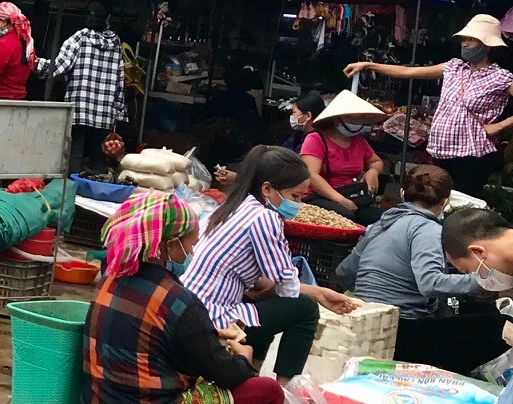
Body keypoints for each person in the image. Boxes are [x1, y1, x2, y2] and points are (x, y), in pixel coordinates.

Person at [84, 190, 286, 404]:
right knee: (268, 392)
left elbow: (154, 331)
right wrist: (244, 357)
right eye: (190, 242)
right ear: (168, 243)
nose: (192, 249)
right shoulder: (180, 301)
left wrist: (212, 332)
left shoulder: (111, 278)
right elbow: (225, 373)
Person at [184, 145, 358, 378]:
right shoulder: (264, 217)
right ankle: (284, 388)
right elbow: (286, 286)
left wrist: (307, 290)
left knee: (263, 305)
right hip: (215, 314)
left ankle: (251, 372)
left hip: (190, 305)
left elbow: (259, 278)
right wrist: (318, 294)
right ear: (267, 189)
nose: (298, 203)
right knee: (304, 308)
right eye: (295, 196)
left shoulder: (231, 206)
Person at [336, 166, 500, 374]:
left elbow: (344, 273)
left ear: (403, 193)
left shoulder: (380, 224)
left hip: (366, 321)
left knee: (484, 312)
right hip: (402, 329)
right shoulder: (428, 229)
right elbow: (430, 283)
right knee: (501, 325)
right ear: (445, 201)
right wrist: (485, 281)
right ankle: (444, 373)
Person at [346, 15, 513, 197]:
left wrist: (500, 125)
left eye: (471, 40)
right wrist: (369, 65)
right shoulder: (454, 68)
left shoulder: (501, 77)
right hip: (441, 151)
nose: (465, 44)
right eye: (464, 39)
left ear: (487, 46)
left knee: (460, 203)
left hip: (471, 156)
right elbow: (409, 71)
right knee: (437, 200)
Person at [38, 1, 126, 173]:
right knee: (98, 155)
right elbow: (120, 80)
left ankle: (71, 190)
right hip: (104, 111)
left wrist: (35, 63)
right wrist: (118, 111)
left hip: (79, 107)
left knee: (75, 152)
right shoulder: (116, 43)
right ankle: (95, 193)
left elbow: (59, 66)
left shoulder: (80, 37)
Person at [299, 91, 385, 221]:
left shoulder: (359, 141)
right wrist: (341, 200)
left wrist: (373, 171)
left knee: (383, 218)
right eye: (352, 118)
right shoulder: (316, 139)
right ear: (336, 118)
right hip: (318, 197)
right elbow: (312, 176)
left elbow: (376, 162)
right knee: (346, 215)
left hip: (350, 194)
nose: (358, 122)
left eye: (360, 119)